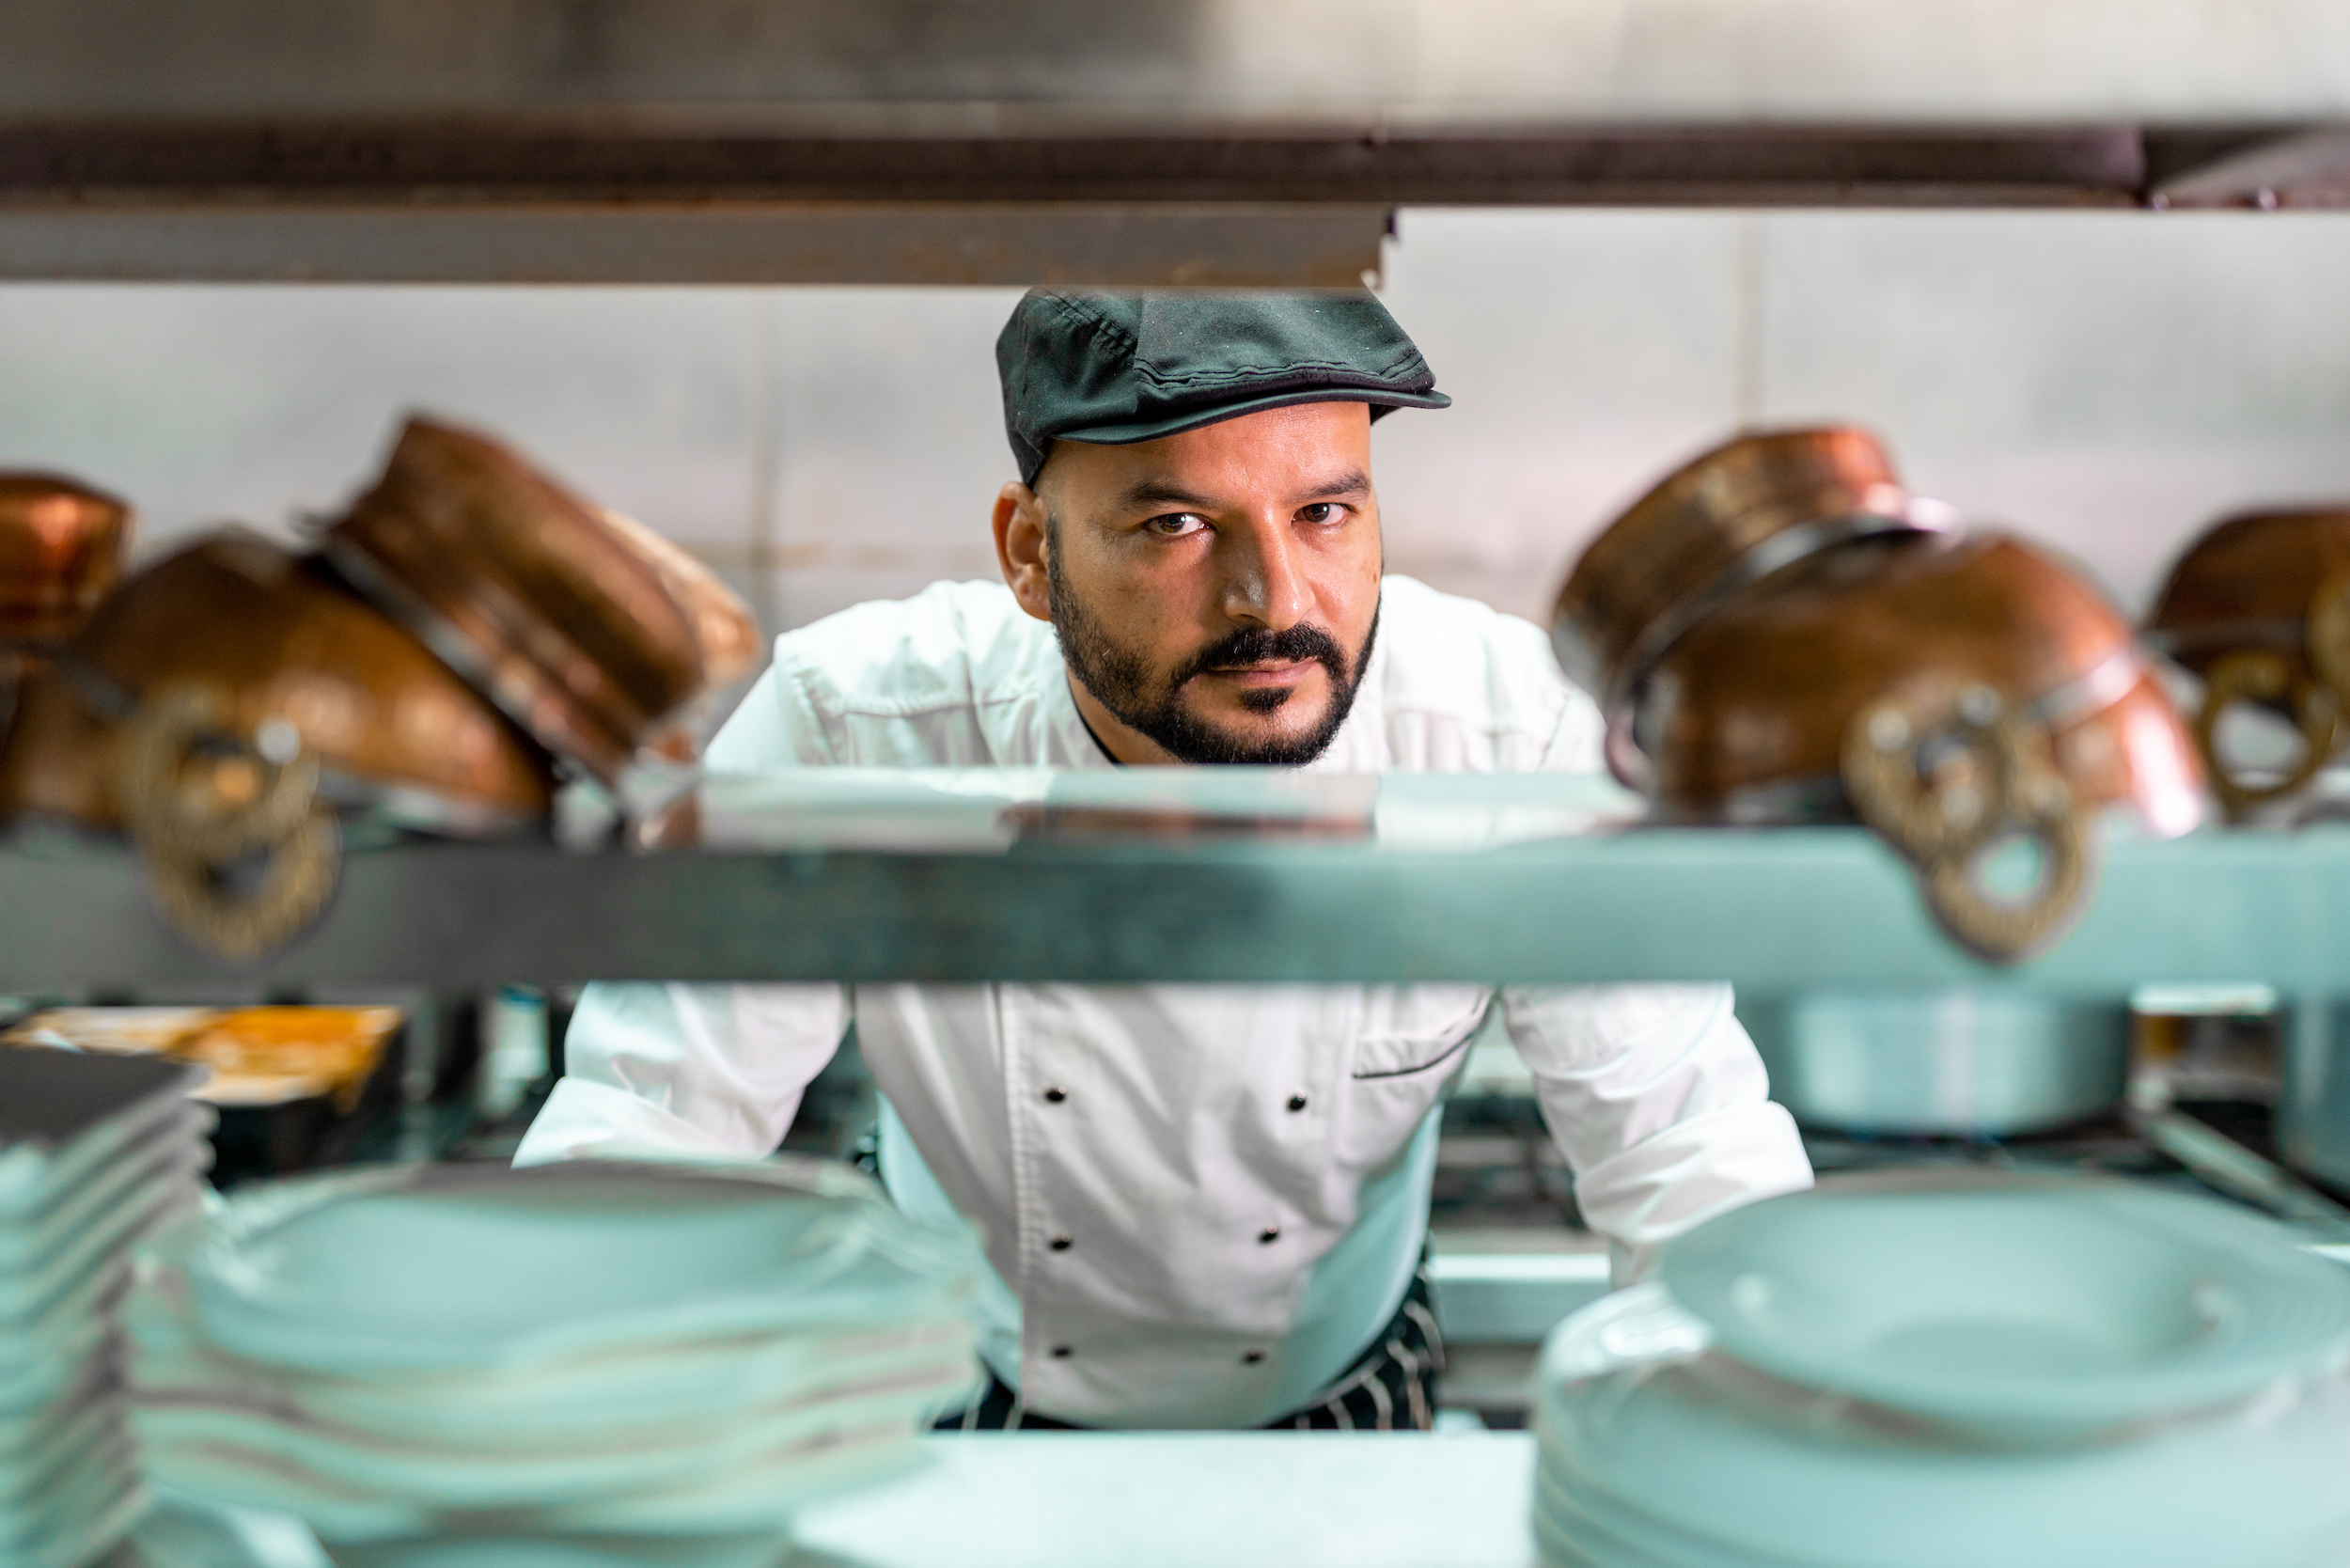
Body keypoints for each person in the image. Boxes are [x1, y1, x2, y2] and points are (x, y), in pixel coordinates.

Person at [515, 290, 1811, 1432]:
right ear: (1030, 551)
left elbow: (1683, 1153)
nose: (1277, 600)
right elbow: (652, 1129)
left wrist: (1781, 1431)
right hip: (938, 1368)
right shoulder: (855, 724)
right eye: (1181, 523)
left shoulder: (1507, 732)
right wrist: (535, 1421)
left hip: (1338, 1384)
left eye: (1323, 512)